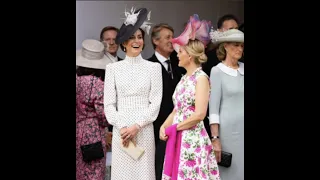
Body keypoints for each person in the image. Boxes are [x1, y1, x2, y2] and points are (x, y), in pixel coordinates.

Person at [104, 7, 162, 180]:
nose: (136, 41)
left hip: (143, 131)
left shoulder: (154, 67)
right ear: (123, 43)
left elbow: (156, 103)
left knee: (144, 175)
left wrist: (136, 126)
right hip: (121, 133)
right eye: (131, 37)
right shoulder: (112, 68)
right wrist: (123, 128)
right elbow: (108, 105)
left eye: (139, 37)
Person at [160, 14, 220, 180]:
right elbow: (177, 109)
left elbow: (199, 114)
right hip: (179, 134)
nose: (177, 55)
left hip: (192, 138)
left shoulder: (201, 78)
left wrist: (175, 128)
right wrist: (164, 126)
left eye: (180, 52)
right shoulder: (184, 78)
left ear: (190, 55)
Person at [148, 23, 183, 180]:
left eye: (173, 37)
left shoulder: (179, 66)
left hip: (178, 128)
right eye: (168, 37)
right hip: (157, 131)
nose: (172, 41)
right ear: (156, 41)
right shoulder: (148, 66)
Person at [209, 28, 244, 180]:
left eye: (242, 46)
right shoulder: (217, 71)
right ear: (225, 46)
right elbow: (214, 109)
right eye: (236, 45)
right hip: (229, 134)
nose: (240, 49)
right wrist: (215, 138)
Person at [76, 39, 111, 180]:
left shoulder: (77, 79)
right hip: (93, 133)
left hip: (77, 129)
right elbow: (103, 115)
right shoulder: (97, 84)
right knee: (94, 172)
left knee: (79, 172)